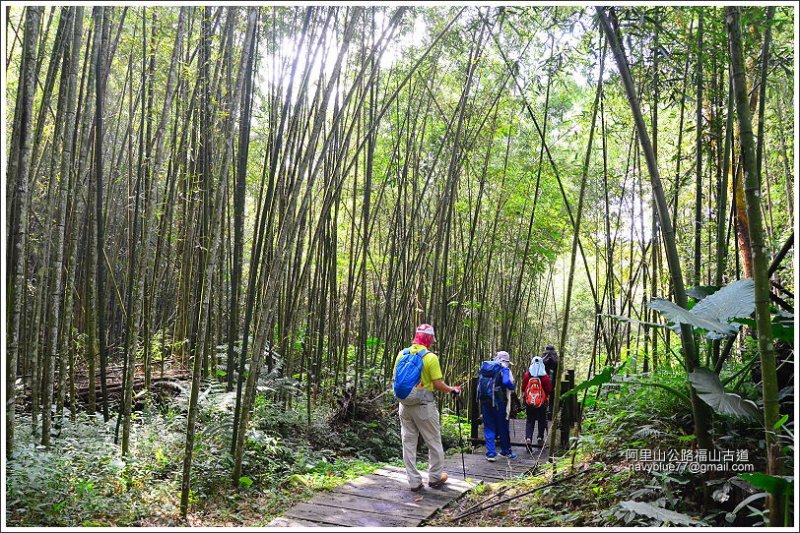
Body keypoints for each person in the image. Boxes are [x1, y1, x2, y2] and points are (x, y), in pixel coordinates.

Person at [393, 324, 461, 491]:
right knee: (433, 441)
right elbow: (438, 384)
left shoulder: (402, 353)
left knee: (408, 442)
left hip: (404, 405)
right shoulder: (430, 358)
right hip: (424, 406)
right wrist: (452, 389)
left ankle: (414, 482)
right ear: (429, 339)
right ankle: (435, 477)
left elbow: (395, 378)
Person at [478, 351, 517, 462]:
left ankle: (491, 453)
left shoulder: (485, 368)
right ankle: (506, 451)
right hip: (499, 403)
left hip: (486, 402)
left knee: (489, 427)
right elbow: (506, 382)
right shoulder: (504, 369)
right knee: (503, 427)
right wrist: (512, 385)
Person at [522, 355, 552, 448]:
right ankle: (540, 438)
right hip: (541, 403)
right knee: (541, 420)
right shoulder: (545, 376)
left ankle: (528, 438)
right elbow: (549, 389)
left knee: (530, 420)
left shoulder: (527, 375)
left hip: (529, 402)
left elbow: (523, 388)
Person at [542, 344, 559, 420]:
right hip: (554, 381)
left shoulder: (543, 356)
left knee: (543, 396)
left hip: (543, 381)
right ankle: (551, 415)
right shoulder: (555, 357)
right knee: (552, 398)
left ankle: (542, 413)